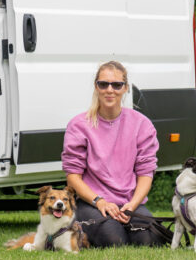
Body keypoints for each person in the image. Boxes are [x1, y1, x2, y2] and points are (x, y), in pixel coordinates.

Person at [61, 60, 164, 247]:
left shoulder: (142, 124)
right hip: (92, 203)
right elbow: (73, 178)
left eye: (117, 85)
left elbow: (145, 173)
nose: (110, 90)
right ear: (96, 86)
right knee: (114, 240)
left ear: (125, 88)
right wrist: (100, 202)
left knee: (147, 239)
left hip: (129, 202)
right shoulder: (78, 125)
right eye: (104, 84)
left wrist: (132, 205)